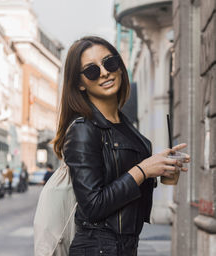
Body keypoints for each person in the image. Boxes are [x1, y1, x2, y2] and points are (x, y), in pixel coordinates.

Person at [52, 36, 191, 256]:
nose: (104, 72)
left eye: (109, 63)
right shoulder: (83, 129)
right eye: (91, 71)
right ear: (80, 83)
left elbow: (123, 179)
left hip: (124, 247)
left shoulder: (124, 125)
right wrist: (143, 170)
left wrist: (162, 166)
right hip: (98, 247)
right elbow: (93, 205)